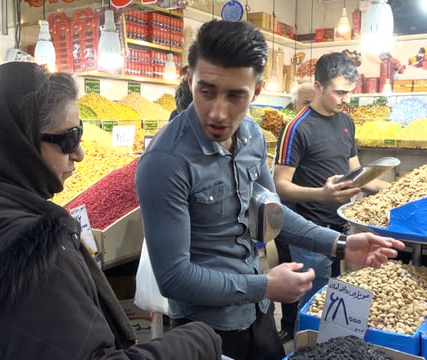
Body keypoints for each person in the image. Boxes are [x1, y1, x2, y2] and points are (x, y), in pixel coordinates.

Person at [0, 62, 222, 359]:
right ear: (20, 142)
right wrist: (197, 339)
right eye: (69, 139)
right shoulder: (35, 254)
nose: (81, 154)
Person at [136, 20, 404, 360]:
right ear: (190, 79)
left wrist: (339, 245)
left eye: (236, 95)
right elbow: (174, 277)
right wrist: (265, 285)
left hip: (258, 315)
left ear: (257, 91)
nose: (218, 112)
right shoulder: (165, 162)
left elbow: (272, 211)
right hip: (204, 331)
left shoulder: (252, 136)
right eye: (206, 90)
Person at [273, 52, 391, 321]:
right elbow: (280, 186)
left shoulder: (346, 122)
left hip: (344, 231)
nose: (346, 99)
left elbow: (356, 174)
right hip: (311, 233)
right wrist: (322, 195)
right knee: (312, 312)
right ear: (318, 86)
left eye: (350, 92)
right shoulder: (296, 128)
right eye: (339, 92)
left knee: (334, 308)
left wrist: (394, 189)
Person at [273, 81, 317, 343]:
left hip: (320, 219)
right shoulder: (291, 132)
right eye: (305, 104)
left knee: (314, 281)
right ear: (294, 105)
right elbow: (281, 185)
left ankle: (308, 328)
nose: (310, 110)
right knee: (291, 269)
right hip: (292, 214)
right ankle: (290, 326)